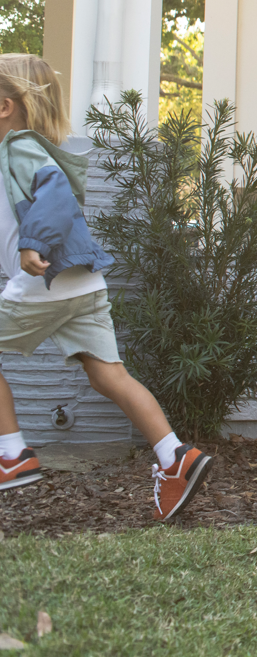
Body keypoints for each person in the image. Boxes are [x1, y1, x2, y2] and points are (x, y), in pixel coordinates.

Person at [0, 54, 214, 521]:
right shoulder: (26, 149)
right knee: (107, 375)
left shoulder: (19, 147)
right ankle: (175, 456)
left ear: (5, 106)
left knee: (106, 374)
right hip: (84, 284)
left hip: (47, 281)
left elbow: (53, 193)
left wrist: (31, 245)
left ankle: (11, 454)